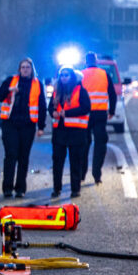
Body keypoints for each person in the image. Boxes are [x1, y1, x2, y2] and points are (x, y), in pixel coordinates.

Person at [0, 58, 47, 198]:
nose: (25, 69)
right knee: (10, 155)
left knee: (23, 157)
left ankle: (20, 188)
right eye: (23, 67)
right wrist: (9, 90)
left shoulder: (37, 84)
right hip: (10, 124)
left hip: (28, 125)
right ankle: (7, 188)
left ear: (32, 69)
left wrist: (41, 126)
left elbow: (42, 106)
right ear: (19, 69)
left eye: (27, 67)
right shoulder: (10, 81)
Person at [47, 67, 90, 198]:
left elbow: (86, 108)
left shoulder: (81, 91)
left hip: (76, 132)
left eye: (66, 75)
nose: (64, 77)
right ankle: (56, 188)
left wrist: (68, 113)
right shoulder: (56, 92)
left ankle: (75, 189)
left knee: (75, 161)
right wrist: (52, 112)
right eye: (62, 75)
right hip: (59, 131)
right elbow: (50, 106)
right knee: (57, 162)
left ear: (72, 77)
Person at [81, 53, 117, 186]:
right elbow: (112, 94)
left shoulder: (80, 74)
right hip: (100, 114)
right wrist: (111, 110)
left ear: (85, 62)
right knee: (100, 144)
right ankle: (97, 174)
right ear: (97, 61)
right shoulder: (104, 74)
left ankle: (81, 173)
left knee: (83, 144)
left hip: (84, 115)